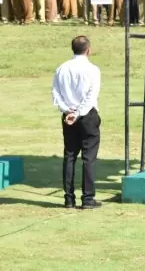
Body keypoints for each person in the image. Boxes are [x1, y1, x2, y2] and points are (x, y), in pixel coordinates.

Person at [52, 36, 101, 210]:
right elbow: (91, 96)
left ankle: (69, 198)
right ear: (88, 50)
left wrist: (68, 111)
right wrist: (78, 113)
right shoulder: (92, 69)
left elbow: (56, 94)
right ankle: (87, 198)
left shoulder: (62, 68)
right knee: (88, 158)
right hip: (87, 115)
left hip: (68, 115)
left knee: (70, 155)